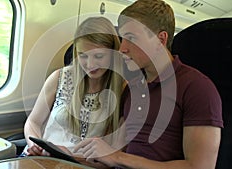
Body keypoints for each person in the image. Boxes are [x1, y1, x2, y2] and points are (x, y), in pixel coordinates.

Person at [73, 0, 224, 169]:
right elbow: (111, 155)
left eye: (131, 38)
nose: (122, 48)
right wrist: (63, 154)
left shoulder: (197, 88)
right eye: (122, 39)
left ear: (161, 39)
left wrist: (118, 158)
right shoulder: (133, 88)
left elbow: (199, 167)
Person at [23, 16, 124, 167]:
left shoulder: (123, 90)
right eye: (83, 55)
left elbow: (112, 158)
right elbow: (33, 122)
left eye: (98, 56)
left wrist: (69, 157)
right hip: (40, 159)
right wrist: (35, 144)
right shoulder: (60, 77)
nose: (90, 64)